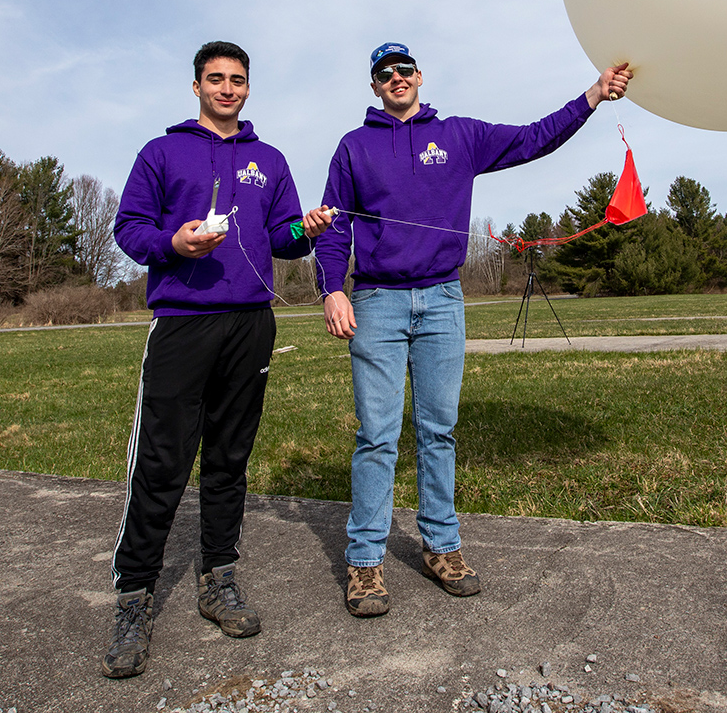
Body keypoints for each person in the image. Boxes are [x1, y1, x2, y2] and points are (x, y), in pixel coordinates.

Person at [314, 43, 631, 617]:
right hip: (377, 303)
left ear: (418, 75)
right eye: (384, 74)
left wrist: (594, 94)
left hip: (442, 299)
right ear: (374, 87)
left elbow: (535, 137)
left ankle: (443, 547)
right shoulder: (353, 148)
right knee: (377, 435)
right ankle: (364, 562)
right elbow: (334, 228)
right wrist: (332, 288)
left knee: (438, 431)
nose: (396, 79)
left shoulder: (459, 135)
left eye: (404, 69)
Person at [103, 40, 332, 678]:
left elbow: (283, 240)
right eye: (215, 79)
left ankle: (218, 577)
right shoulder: (162, 152)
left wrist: (305, 230)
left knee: (230, 458)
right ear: (197, 86)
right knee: (162, 462)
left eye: (236, 80)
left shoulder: (271, 159)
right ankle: (133, 595)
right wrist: (173, 242)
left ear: (249, 89)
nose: (226, 89)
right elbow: (128, 229)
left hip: (250, 325)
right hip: (181, 324)